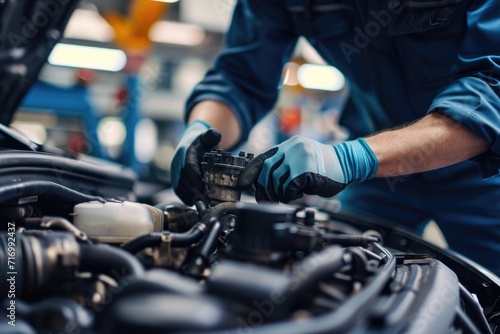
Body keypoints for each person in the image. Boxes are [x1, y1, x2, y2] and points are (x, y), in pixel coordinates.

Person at [170, 0, 500, 276]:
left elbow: (491, 91)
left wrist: (348, 159)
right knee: (350, 278)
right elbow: (241, 75)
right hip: (376, 174)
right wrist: (200, 131)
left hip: (480, 171)